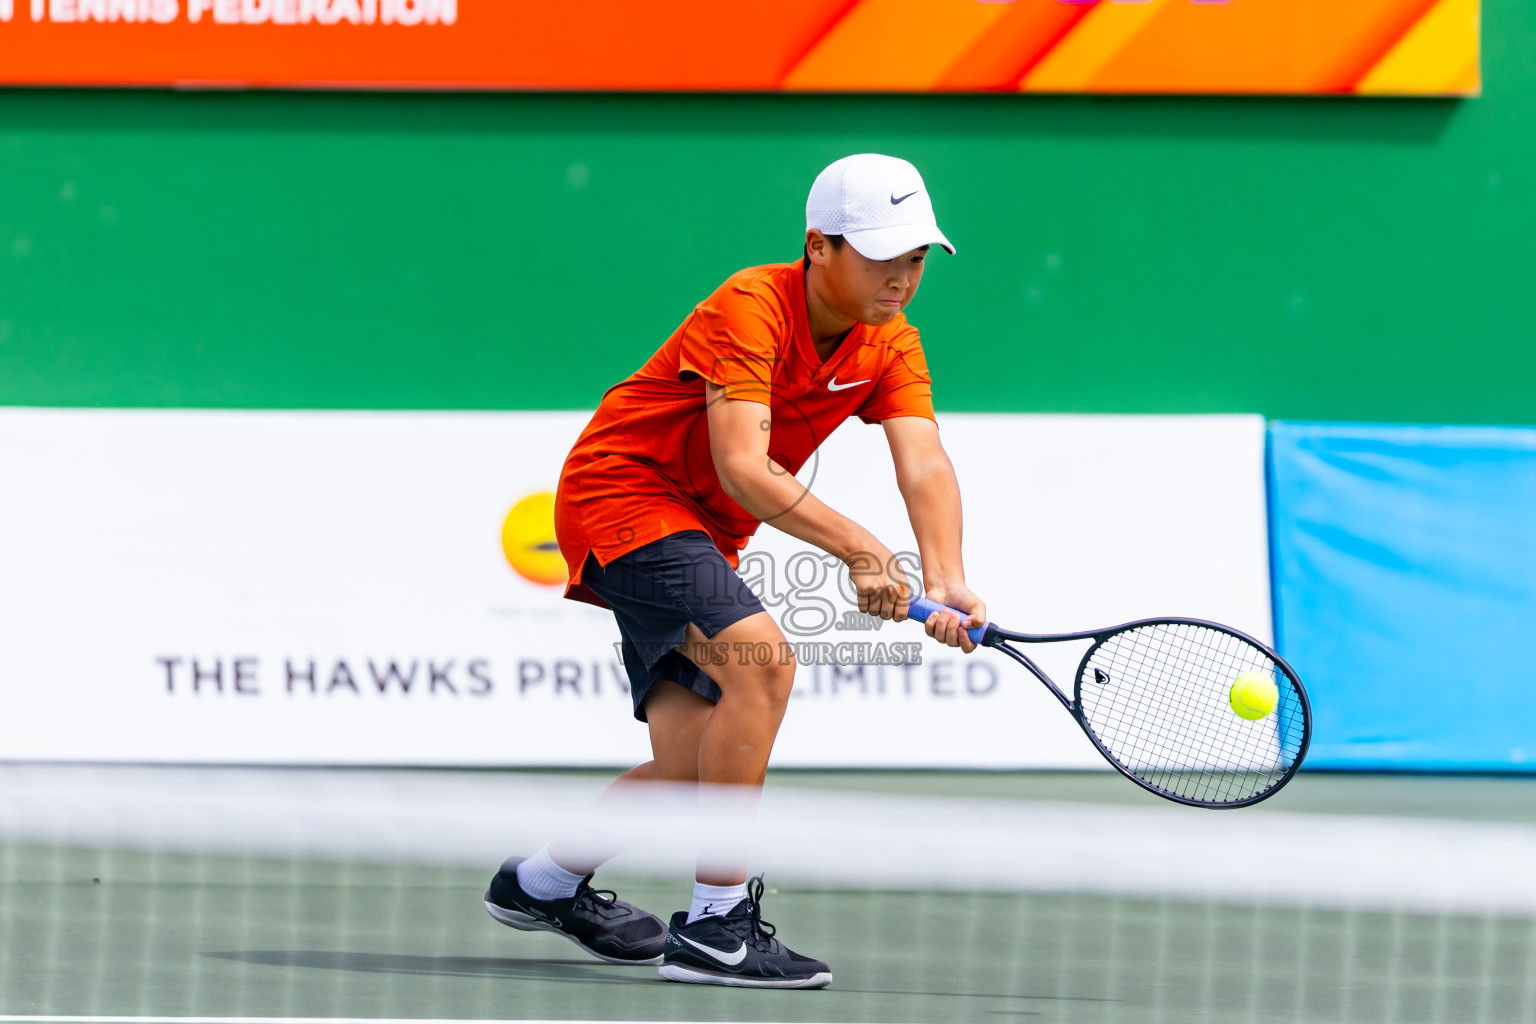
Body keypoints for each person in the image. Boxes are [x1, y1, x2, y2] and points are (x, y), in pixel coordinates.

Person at [483, 153, 986, 990]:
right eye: (883, 254)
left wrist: (948, 576)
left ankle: (541, 883)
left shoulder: (891, 340)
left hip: (705, 533)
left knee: (697, 764)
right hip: (625, 495)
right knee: (765, 662)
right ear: (819, 247)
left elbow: (924, 460)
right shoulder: (752, 305)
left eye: (917, 258)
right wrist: (862, 548)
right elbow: (745, 465)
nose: (902, 277)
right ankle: (716, 927)